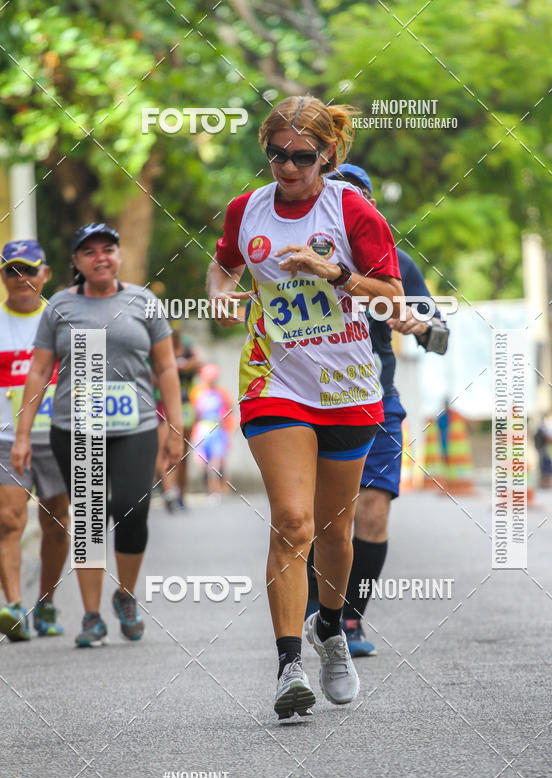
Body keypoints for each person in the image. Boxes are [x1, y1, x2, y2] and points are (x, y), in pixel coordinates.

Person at [207, 95, 404, 719]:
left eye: (300, 157)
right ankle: (290, 661)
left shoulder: (352, 210)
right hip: (277, 383)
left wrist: (335, 273)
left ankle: (331, 629)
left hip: (348, 388)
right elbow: (223, 267)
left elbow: (395, 300)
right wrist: (221, 295)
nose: (286, 167)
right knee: (292, 520)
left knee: (333, 533)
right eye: (275, 154)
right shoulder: (248, 210)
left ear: (327, 155)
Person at [11, 223, 183, 647]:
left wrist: (174, 428)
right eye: (89, 252)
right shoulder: (59, 307)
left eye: (108, 249)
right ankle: (90, 616)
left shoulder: (143, 301)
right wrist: (22, 434)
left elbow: (166, 368)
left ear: (119, 255)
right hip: (75, 427)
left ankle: (125, 594)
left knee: (131, 509)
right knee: (87, 519)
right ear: (76, 262)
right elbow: (38, 370)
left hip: (136, 427)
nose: (100, 257)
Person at [305, 165, 450, 655]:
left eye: (359, 200)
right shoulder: (297, 257)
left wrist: (421, 327)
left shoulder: (397, 263)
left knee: (371, 514)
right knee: (322, 520)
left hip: (377, 402)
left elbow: (441, 336)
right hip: (312, 402)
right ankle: (314, 615)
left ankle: (349, 620)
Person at [0, 240, 69, 641]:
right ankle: (12, 607)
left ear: (45, 274)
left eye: (29, 270)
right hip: (5, 437)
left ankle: (45, 603)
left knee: (57, 523)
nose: (21, 278)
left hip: (55, 436)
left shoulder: (62, 320)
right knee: (8, 520)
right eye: (12, 270)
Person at [159, 323, 201, 512]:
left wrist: (180, 365)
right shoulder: (162, 348)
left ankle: (181, 494)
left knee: (183, 453)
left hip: (186, 406)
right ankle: (169, 492)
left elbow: (199, 363)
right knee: (167, 451)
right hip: (166, 406)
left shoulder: (188, 348)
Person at [190, 363, 236, 495]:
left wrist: (230, 428)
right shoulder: (197, 392)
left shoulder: (222, 393)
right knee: (204, 462)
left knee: (217, 461)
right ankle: (209, 488)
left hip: (218, 430)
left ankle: (217, 489)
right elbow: (195, 413)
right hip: (202, 430)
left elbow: (230, 410)